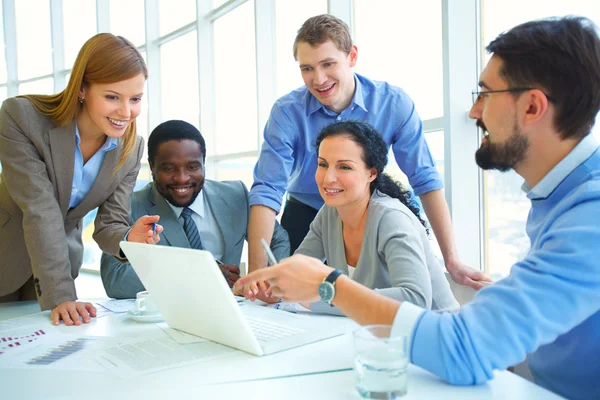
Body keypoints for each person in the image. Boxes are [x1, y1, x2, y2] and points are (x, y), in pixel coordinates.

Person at [235, 16, 600, 399]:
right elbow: (267, 189)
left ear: (532, 106)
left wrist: (328, 286)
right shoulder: (557, 196)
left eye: (485, 95)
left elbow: (461, 348)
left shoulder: (588, 214)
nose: (474, 113)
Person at [247, 14, 488, 293]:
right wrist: (256, 274)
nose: (318, 79)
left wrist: (452, 260)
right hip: (307, 213)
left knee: (370, 298)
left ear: (352, 56)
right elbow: (267, 190)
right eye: (307, 68)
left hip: (366, 211)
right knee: (287, 296)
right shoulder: (286, 112)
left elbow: (424, 179)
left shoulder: (393, 104)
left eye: (328, 64)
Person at [0, 33, 163, 326]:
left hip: (60, 263)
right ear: (82, 89)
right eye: (112, 97)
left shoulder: (130, 148)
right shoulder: (21, 117)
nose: (126, 113)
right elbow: (40, 208)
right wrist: (61, 294)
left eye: (135, 99)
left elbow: (109, 225)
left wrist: (129, 238)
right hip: (5, 255)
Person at [279, 120, 458, 314]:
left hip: (433, 335)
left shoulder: (391, 218)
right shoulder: (330, 213)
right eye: (322, 164)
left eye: (344, 167)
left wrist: (329, 297)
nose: (328, 178)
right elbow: (298, 270)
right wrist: (271, 283)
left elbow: (415, 299)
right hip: (376, 334)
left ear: (371, 173)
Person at [101, 120, 290, 298]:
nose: (182, 178)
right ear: (152, 166)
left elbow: (277, 239)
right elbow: (115, 279)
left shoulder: (236, 196)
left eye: (192, 167)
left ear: (204, 163)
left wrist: (266, 282)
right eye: (169, 168)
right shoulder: (130, 207)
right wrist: (201, 275)